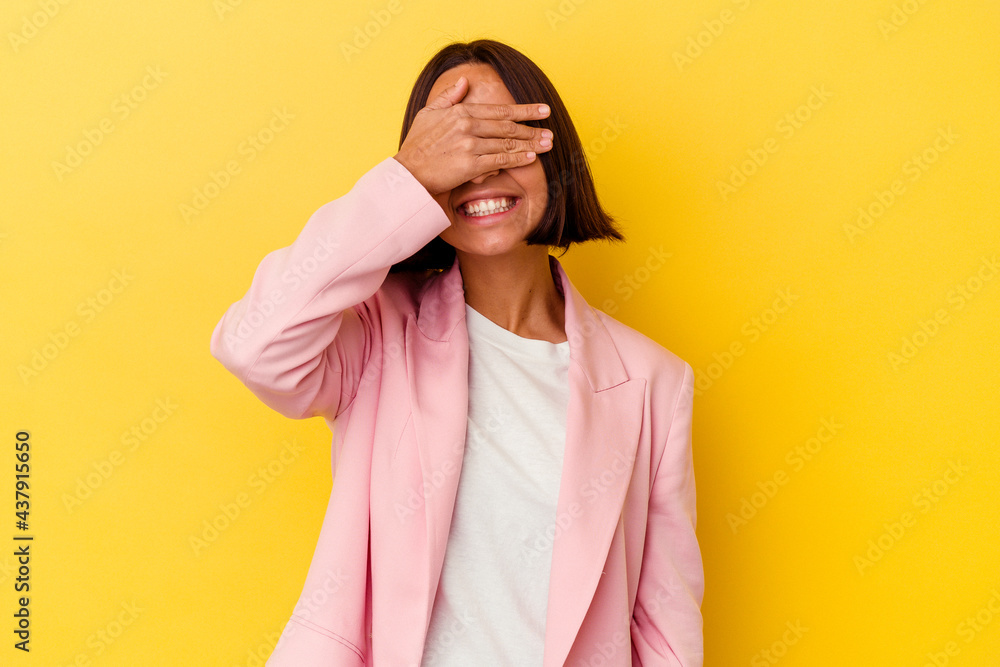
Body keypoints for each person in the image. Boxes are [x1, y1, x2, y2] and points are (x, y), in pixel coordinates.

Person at [211, 39, 703, 666]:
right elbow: (252, 345)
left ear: (556, 154)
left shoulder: (654, 381)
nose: (481, 172)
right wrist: (406, 178)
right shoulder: (377, 332)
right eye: (458, 145)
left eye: (504, 139)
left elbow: (665, 627)